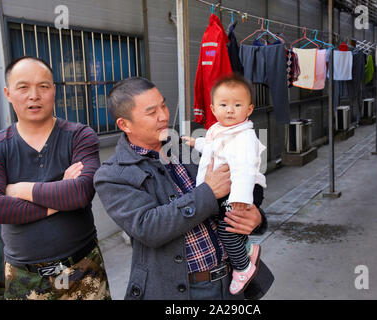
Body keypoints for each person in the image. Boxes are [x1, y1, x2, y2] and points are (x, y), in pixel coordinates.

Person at [94, 77, 273, 300]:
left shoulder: (186, 149)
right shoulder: (113, 174)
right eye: (152, 112)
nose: (163, 116)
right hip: (183, 291)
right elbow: (148, 228)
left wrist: (256, 218)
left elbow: (237, 186)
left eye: (163, 105)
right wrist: (207, 193)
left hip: (230, 283)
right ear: (125, 124)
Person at [0, 56, 111, 300]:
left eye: (43, 86)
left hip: (83, 270)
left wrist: (17, 189)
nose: (34, 95)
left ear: (54, 91)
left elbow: (81, 193)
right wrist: (60, 192)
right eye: (23, 87)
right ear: (8, 93)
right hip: (23, 278)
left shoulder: (79, 136)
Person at [181, 73, 266, 295]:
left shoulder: (244, 136)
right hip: (231, 189)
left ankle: (243, 267)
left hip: (244, 188)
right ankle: (247, 248)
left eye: (237, 105)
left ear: (249, 109)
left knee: (227, 228)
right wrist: (195, 142)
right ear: (213, 108)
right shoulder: (218, 130)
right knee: (223, 223)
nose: (230, 110)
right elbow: (212, 146)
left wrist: (240, 198)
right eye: (224, 104)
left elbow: (245, 170)